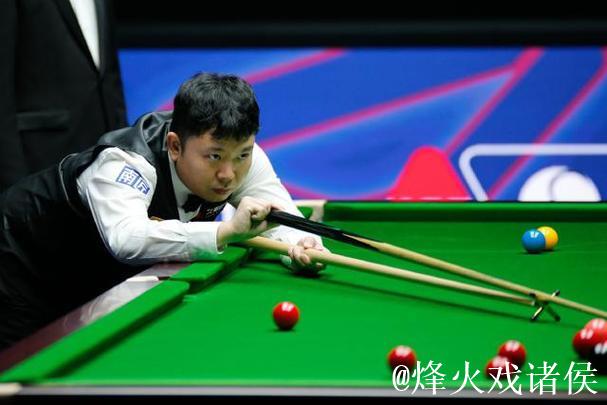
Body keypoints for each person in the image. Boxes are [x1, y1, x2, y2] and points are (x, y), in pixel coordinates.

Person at [0, 72, 326, 350]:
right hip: (20, 267)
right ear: (174, 146)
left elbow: (283, 218)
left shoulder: (243, 156)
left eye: (242, 155)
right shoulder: (124, 163)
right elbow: (127, 239)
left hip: (86, 274)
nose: (229, 174)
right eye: (214, 157)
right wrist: (225, 231)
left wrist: (301, 246)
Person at [0, 0, 127, 192]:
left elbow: (108, 76)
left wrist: (124, 147)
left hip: (105, 160)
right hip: (40, 164)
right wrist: (13, 188)